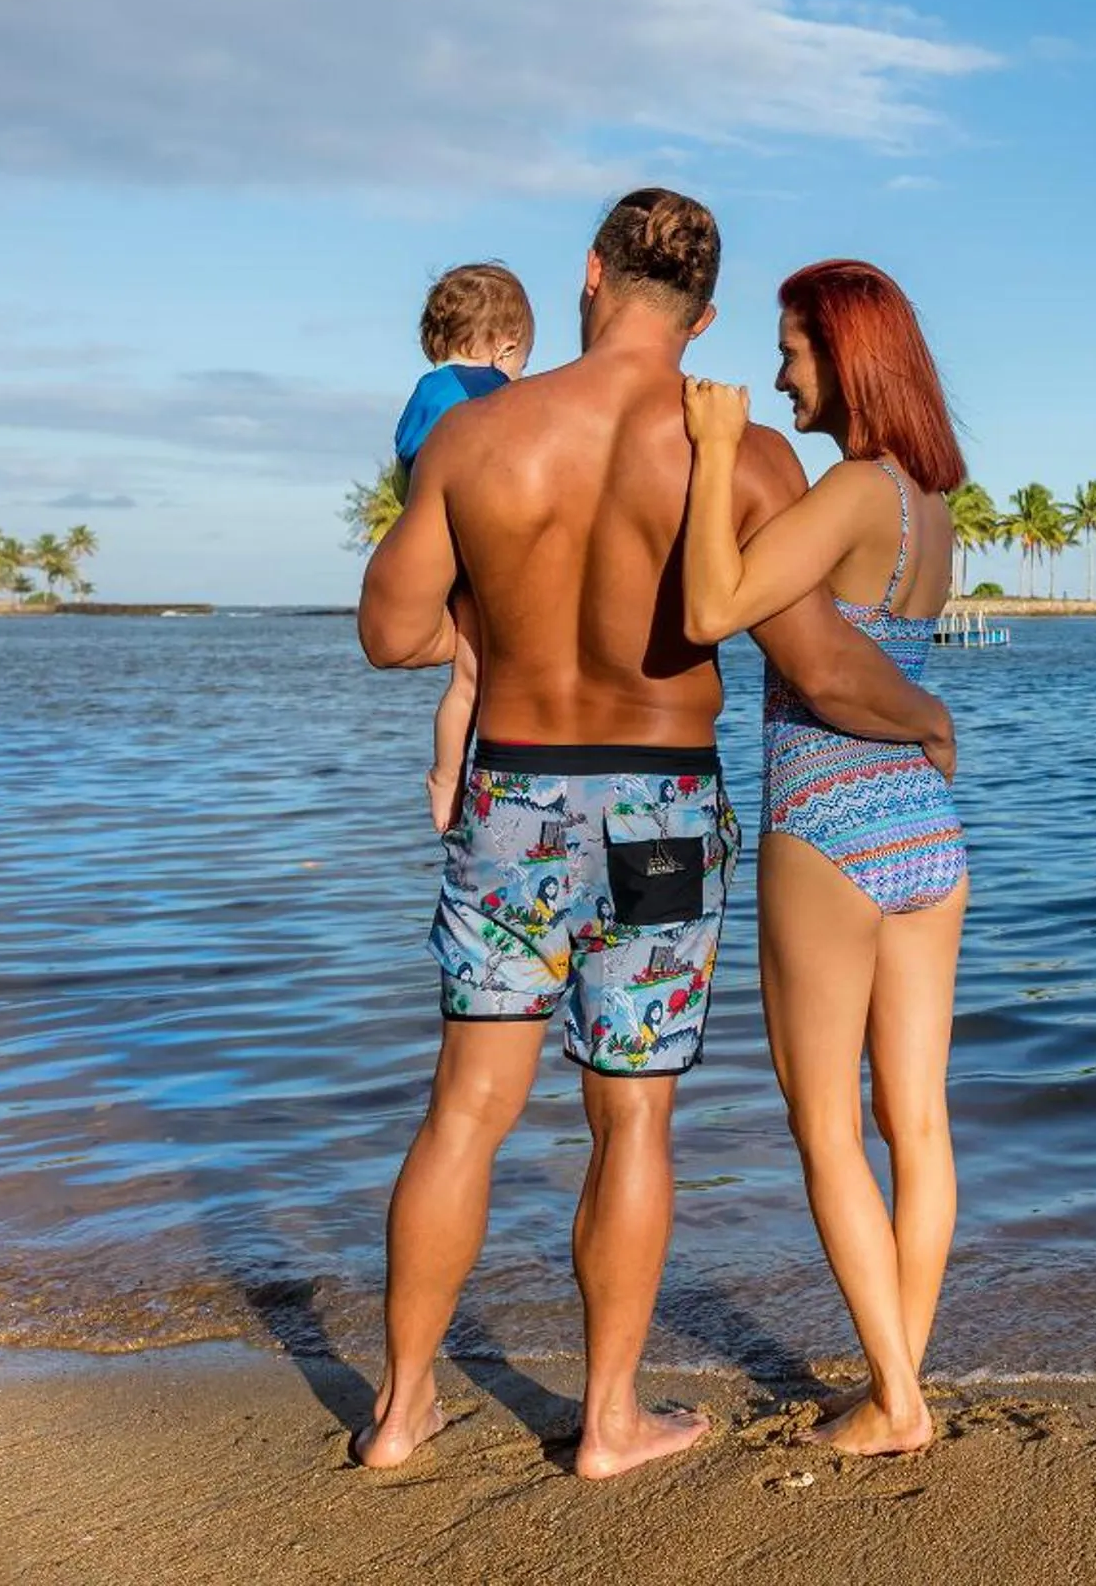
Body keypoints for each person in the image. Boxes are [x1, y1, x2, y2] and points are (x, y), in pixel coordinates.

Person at [353, 194, 956, 1479]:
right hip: (663, 811)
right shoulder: (737, 456)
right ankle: (610, 1420)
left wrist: (488, 623)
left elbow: (390, 633)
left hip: (513, 794)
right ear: (708, 314)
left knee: (466, 1107)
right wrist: (926, 715)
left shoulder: (477, 434)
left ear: (588, 275)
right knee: (633, 1122)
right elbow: (813, 661)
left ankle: (401, 1414)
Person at [679, 257, 970, 1458]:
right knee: (921, 1121)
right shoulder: (932, 507)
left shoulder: (854, 487)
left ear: (841, 354)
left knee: (824, 1126)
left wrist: (710, 457)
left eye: (791, 347)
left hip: (827, 819)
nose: (780, 370)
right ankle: (901, 1372)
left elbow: (713, 608)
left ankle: (895, 1403)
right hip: (926, 827)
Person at [391, 262, 532, 835]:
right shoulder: (491, 393)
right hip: (485, 548)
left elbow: (404, 473)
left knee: (465, 680)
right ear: (507, 346)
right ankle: (478, 780)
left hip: (439, 544)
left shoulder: (425, 392)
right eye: (524, 360)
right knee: (488, 676)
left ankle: (446, 775)